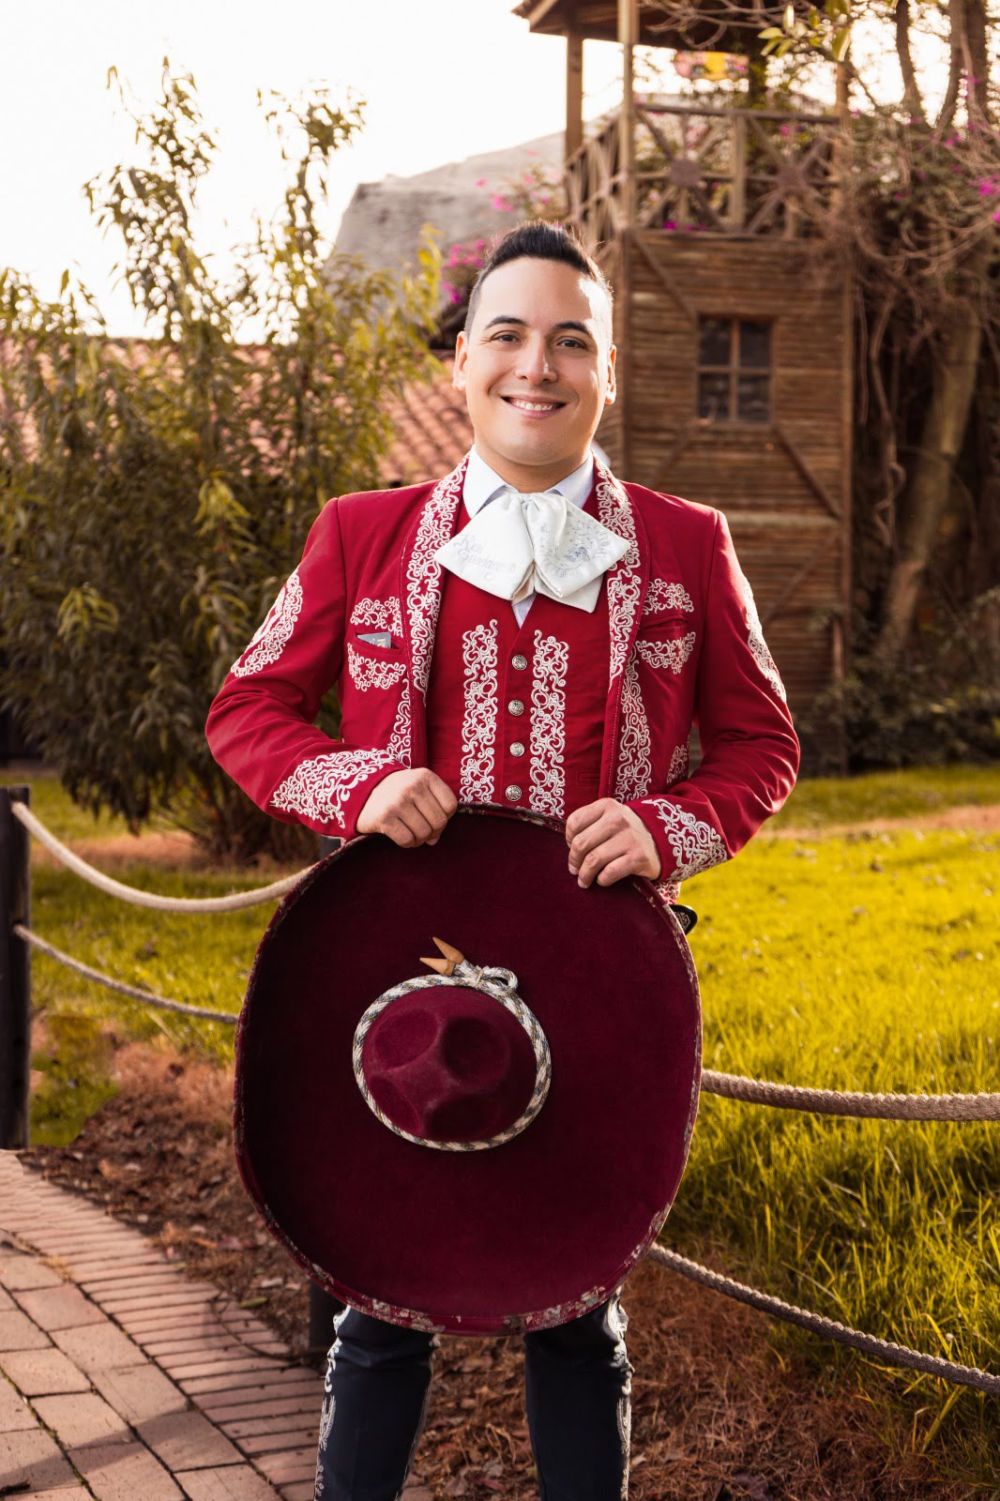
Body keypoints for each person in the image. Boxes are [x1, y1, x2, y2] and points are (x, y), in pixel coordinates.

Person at [206, 220, 799, 1501]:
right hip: (388, 978)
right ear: (462, 367)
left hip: (600, 981)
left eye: (571, 340)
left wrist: (662, 823)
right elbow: (244, 711)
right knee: (377, 1305)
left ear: (605, 374)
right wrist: (360, 786)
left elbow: (761, 745)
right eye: (509, 336)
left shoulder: (690, 542)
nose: (540, 364)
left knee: (577, 1307)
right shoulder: (357, 533)